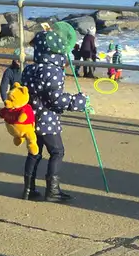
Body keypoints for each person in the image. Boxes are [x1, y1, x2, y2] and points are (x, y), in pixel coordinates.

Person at [20, 28, 91, 202]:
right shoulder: (53, 71)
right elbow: (56, 99)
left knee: (34, 153)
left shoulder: (29, 69)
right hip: (47, 120)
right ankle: (52, 190)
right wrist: (78, 101)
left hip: (31, 118)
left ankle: (28, 189)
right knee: (57, 152)